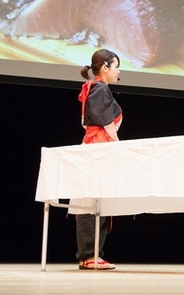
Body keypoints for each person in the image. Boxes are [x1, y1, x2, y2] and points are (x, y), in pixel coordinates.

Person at [75, 49, 122, 270]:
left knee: (95, 202)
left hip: (95, 145)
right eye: (116, 66)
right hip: (99, 147)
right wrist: (116, 141)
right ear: (105, 67)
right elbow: (104, 121)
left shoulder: (93, 88)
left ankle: (93, 254)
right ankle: (89, 255)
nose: (119, 71)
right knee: (91, 202)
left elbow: (85, 123)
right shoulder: (100, 88)